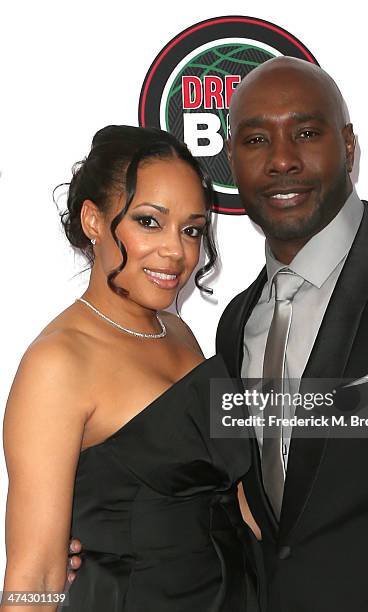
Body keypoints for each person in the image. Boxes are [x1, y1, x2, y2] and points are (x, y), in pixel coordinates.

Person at [215, 57, 368, 611]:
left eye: (305, 133)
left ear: (349, 146)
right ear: (231, 161)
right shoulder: (235, 324)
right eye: (256, 139)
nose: (281, 160)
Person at [2, 125, 260, 611]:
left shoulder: (177, 332)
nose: (177, 252)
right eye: (149, 221)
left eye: (191, 229)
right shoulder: (58, 363)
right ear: (94, 221)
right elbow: (34, 572)